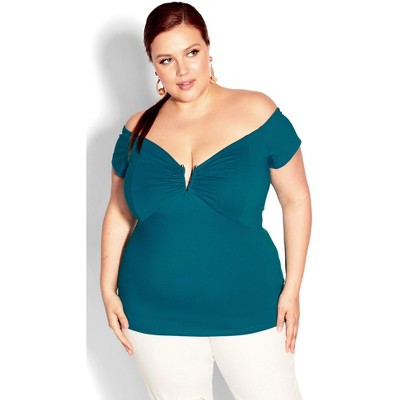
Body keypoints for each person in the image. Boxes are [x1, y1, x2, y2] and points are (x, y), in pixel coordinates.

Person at [101, 2, 312, 399]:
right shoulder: (137, 129)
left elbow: (296, 199)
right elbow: (118, 211)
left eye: (192, 52)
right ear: (154, 65)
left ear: (208, 49)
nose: (182, 71)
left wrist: (293, 287)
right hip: (153, 313)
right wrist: (106, 287)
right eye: (167, 60)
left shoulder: (257, 111)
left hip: (251, 304)